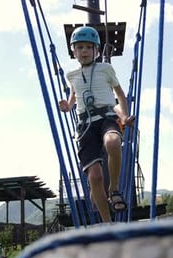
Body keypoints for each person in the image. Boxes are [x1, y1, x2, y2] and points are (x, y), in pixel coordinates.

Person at [58, 26, 134, 223]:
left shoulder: (106, 69)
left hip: (107, 117)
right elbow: (74, 97)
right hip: (85, 126)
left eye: (88, 47)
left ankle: (114, 189)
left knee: (113, 142)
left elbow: (120, 95)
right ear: (73, 51)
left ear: (97, 51)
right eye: (79, 47)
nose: (83, 51)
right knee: (95, 178)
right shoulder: (72, 76)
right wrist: (67, 106)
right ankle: (107, 222)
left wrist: (124, 116)